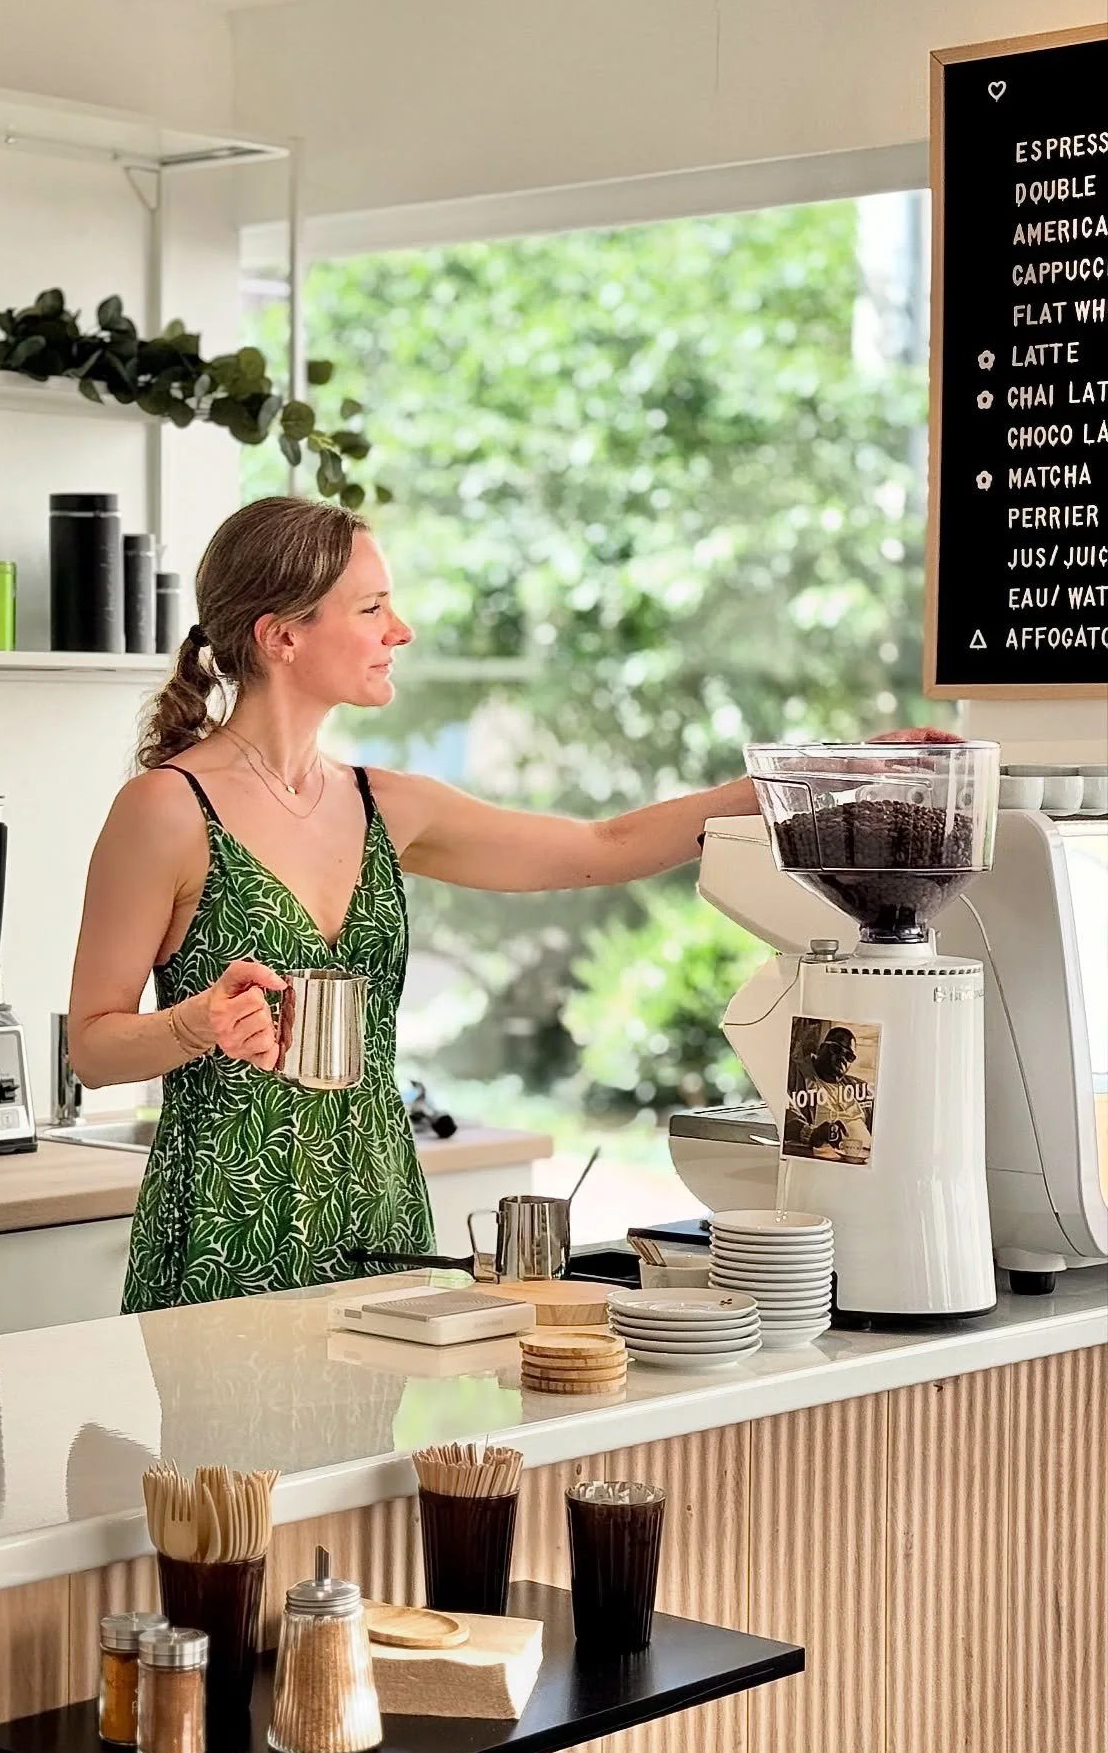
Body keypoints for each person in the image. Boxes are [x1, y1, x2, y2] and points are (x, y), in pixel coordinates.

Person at [68, 495, 944, 1311]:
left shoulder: (387, 805)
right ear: (282, 636)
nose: (399, 630)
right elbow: (93, 1045)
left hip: (377, 1225)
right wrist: (194, 1026)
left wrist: (817, 777)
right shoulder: (166, 810)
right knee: (227, 1484)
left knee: (368, 1483)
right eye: (371, 608)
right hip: (222, 1231)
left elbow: (603, 850)